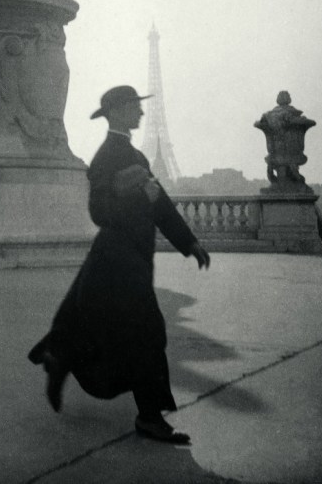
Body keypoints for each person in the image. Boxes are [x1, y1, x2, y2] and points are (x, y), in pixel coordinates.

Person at [28, 85, 210, 444]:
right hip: (118, 259)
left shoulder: (133, 155)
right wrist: (137, 197)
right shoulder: (106, 157)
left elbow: (161, 206)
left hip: (127, 258)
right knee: (147, 333)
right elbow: (99, 212)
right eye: (134, 107)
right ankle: (150, 416)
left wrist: (189, 241)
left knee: (99, 325)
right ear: (117, 111)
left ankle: (59, 356)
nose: (141, 114)